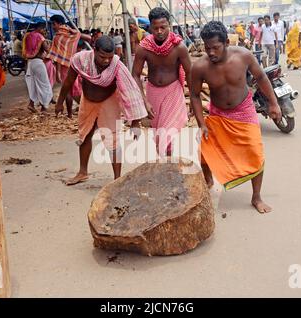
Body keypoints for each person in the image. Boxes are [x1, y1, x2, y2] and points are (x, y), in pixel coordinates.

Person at [190, 21, 281, 213]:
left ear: (226, 43)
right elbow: (195, 95)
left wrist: (273, 103)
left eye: (215, 47)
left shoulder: (244, 56)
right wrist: (201, 124)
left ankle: (256, 197)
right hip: (218, 113)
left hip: (244, 110)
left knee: (255, 152)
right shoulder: (200, 67)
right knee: (205, 152)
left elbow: (261, 78)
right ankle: (208, 182)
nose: (211, 52)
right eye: (207, 48)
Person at [55, 36, 147, 185]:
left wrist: (135, 122)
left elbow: (131, 91)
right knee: (85, 135)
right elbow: (68, 82)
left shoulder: (116, 64)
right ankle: (82, 172)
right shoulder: (80, 60)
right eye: (102, 57)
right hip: (88, 101)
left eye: (109, 57)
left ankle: (117, 179)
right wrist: (60, 103)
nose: (106, 61)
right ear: (94, 50)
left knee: (113, 140)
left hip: (109, 101)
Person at [132, 7, 192, 156]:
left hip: (173, 92)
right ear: (150, 27)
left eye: (163, 27)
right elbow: (135, 74)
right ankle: (167, 165)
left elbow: (190, 74)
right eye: (155, 28)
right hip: (153, 93)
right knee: (160, 136)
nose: (159, 31)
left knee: (166, 133)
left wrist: (192, 100)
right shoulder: (144, 48)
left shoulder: (179, 47)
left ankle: (166, 164)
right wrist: (144, 101)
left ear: (169, 26)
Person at [45, 15, 91, 117]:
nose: (53, 26)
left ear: (59, 23)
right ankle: (81, 110)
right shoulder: (70, 33)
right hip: (75, 64)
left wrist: (57, 72)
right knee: (75, 89)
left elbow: (58, 57)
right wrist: (77, 33)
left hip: (65, 67)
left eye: (54, 24)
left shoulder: (57, 37)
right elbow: (88, 38)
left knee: (68, 91)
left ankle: (74, 112)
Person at [22, 23, 53, 113]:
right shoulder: (40, 37)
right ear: (40, 28)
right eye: (44, 29)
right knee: (44, 84)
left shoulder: (27, 36)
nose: (44, 32)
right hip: (38, 62)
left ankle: (31, 104)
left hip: (30, 63)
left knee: (33, 85)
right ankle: (44, 107)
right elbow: (47, 49)